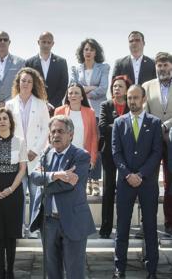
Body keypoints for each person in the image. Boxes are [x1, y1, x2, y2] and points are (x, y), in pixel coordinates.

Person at [30, 115, 96, 279]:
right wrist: (56, 175)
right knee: (52, 271)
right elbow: (34, 176)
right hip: (48, 222)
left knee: (74, 272)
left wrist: (47, 182)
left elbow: (68, 185)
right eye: (53, 132)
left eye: (60, 131)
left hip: (72, 220)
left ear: (71, 134)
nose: (56, 135)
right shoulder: (46, 154)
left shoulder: (81, 155)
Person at [112, 85, 162, 279]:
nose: (132, 101)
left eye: (135, 98)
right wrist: (127, 174)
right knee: (122, 227)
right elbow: (116, 152)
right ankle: (119, 269)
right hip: (125, 183)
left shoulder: (155, 123)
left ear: (144, 99)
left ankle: (152, 270)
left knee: (150, 227)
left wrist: (140, 175)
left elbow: (157, 152)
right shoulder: (119, 122)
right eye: (129, 98)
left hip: (147, 183)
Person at [5, 67, 50, 238]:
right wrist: (17, 152)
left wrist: (35, 150)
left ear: (34, 84)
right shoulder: (10, 104)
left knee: (35, 192)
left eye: (29, 81)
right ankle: (19, 227)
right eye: (23, 80)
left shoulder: (40, 104)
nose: (26, 83)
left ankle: (33, 228)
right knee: (18, 194)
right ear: (18, 83)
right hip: (17, 157)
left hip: (35, 156)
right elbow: (6, 130)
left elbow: (46, 129)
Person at [0, 108, 27, 279]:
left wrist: (11, 188)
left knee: (11, 233)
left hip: (13, 191)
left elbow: (22, 168)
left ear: (10, 122)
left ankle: (10, 270)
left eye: (5, 118)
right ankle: (0, 270)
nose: (2, 121)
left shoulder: (20, 142)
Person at [70, 38, 110, 193]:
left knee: (96, 146)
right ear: (82, 52)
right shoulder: (75, 68)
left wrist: (82, 91)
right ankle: (84, 178)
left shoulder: (103, 67)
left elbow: (103, 89)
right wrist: (91, 87)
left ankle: (94, 180)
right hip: (80, 112)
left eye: (91, 49)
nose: (88, 52)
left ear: (96, 52)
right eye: (86, 49)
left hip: (98, 112)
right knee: (83, 144)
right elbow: (73, 87)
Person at [143, 52, 172, 236]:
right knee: (149, 183)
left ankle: (170, 223)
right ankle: (148, 224)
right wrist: (156, 125)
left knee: (170, 183)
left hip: (171, 140)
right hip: (152, 140)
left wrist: (167, 124)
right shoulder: (147, 86)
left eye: (166, 65)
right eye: (159, 66)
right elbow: (144, 111)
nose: (162, 69)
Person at [99, 75, 131, 239]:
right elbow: (103, 127)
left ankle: (123, 228)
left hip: (128, 154)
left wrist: (116, 124)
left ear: (126, 90)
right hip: (109, 154)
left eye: (120, 86)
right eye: (114, 86)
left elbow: (133, 127)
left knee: (125, 190)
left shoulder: (131, 105)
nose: (116, 89)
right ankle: (105, 228)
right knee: (108, 190)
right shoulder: (106, 105)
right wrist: (121, 123)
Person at [54, 83, 98, 184]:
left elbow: (93, 137)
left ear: (82, 96)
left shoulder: (90, 112)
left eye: (76, 93)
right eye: (70, 93)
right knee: (62, 187)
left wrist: (92, 159)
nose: (73, 95)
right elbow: (53, 135)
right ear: (67, 96)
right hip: (62, 156)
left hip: (81, 157)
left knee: (80, 190)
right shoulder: (59, 111)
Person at [25, 31, 68, 109]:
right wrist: (38, 102)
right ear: (38, 42)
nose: (46, 45)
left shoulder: (61, 62)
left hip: (55, 108)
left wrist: (51, 104)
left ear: (53, 44)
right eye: (43, 42)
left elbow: (63, 86)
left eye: (49, 42)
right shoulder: (29, 63)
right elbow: (27, 85)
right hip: (35, 107)